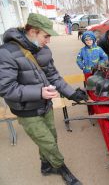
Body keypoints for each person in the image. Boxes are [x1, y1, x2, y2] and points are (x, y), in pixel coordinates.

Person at [0, 13, 88, 185]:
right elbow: (5, 88)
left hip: (45, 104)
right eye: (46, 36)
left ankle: (45, 165)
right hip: (26, 110)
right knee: (48, 142)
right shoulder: (6, 53)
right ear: (33, 31)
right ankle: (62, 168)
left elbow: (54, 76)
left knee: (51, 137)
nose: (48, 41)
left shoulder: (43, 50)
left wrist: (71, 93)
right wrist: (39, 92)